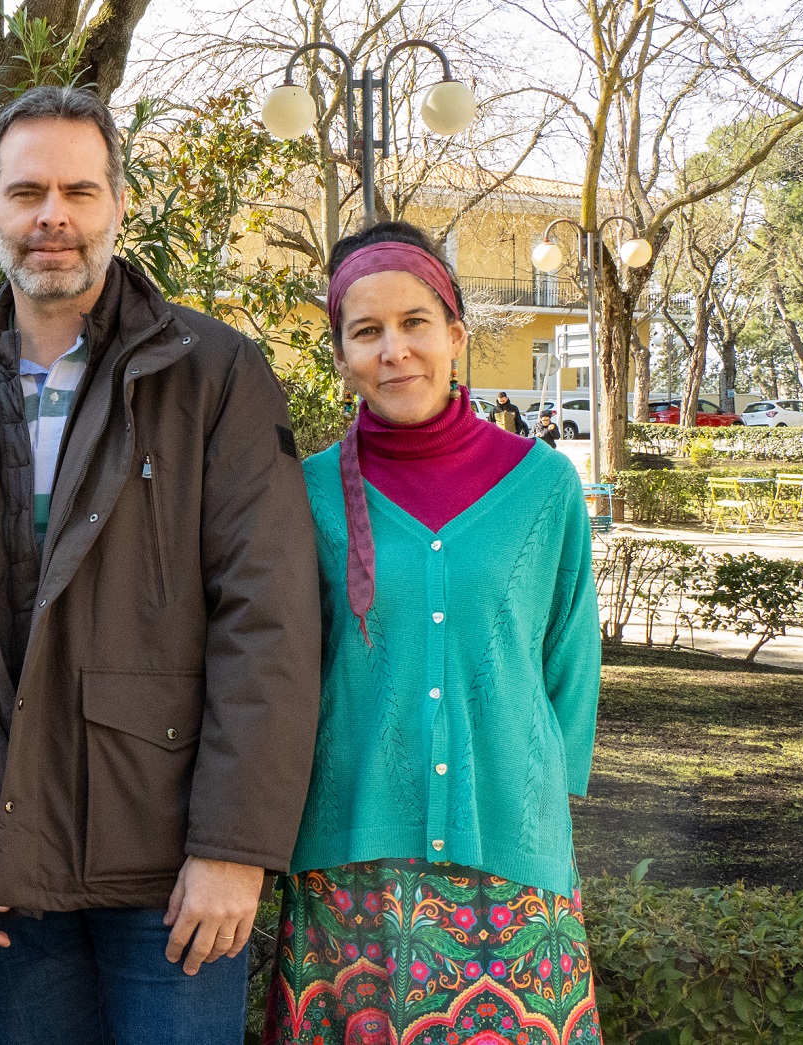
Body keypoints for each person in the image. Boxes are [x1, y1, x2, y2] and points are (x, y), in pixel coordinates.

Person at [0, 85, 322, 1045]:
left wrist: (234, 848)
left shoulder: (214, 373)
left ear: (118, 204)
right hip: (2, 856)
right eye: (27, 190)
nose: (53, 217)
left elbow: (268, 615)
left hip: (171, 871)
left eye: (80, 190)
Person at [266, 221, 603, 1045]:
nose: (395, 350)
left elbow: (570, 660)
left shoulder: (545, 487)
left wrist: (535, 802)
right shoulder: (303, 496)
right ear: (341, 354)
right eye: (366, 331)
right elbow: (280, 672)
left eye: (415, 322)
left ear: (456, 334)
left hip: (511, 857)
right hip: (349, 856)